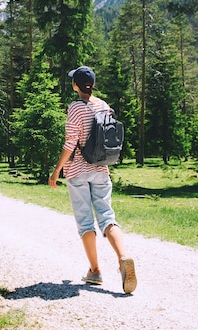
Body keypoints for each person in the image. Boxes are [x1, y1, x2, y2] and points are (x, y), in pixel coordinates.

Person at [48, 66, 137, 294]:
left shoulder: (76, 108)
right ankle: (123, 257)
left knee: (85, 222)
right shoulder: (103, 106)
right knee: (107, 215)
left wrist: (57, 170)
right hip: (101, 169)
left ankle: (95, 271)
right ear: (93, 84)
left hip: (78, 170)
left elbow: (70, 143)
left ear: (75, 86)